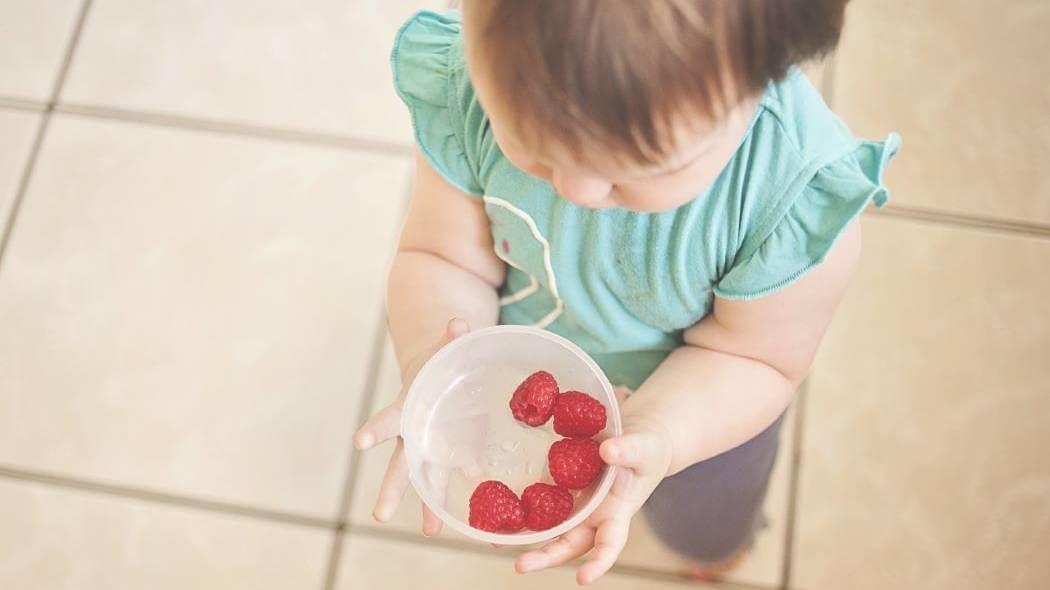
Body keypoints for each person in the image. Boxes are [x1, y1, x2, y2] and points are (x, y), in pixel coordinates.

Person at [353, 1, 899, 584]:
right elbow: (444, 257)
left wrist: (662, 431)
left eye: (639, 168)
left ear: (762, 78)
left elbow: (754, 358)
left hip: (704, 406)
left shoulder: (788, 200)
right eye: (534, 145)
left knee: (705, 519)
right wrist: (434, 360)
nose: (577, 189)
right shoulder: (472, 88)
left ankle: (712, 551)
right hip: (534, 357)